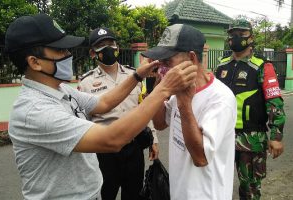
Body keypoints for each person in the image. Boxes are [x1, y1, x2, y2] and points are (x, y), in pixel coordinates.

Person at [5, 14, 197, 200]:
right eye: (60, 51)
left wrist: (137, 76)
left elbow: (103, 103)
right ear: (35, 62)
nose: (68, 55)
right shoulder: (35, 110)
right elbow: (112, 139)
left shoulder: (60, 89)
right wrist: (163, 89)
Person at [141, 23, 237, 200]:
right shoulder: (178, 89)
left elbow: (201, 158)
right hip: (179, 191)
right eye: (160, 62)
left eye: (167, 61)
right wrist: (159, 87)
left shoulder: (220, 99)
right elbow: (160, 123)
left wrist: (185, 105)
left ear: (192, 59)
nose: (162, 67)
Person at [78, 27, 159, 200]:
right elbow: (83, 121)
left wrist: (153, 138)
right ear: (93, 53)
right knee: (105, 194)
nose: (108, 48)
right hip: (104, 152)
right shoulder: (86, 82)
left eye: (111, 43)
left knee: (134, 194)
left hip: (134, 147)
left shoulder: (134, 75)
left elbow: (143, 107)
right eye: (101, 45)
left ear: (118, 48)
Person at [215, 18, 286, 200]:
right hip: (221, 137)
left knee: (250, 190)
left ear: (251, 37)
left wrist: (276, 136)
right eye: (232, 34)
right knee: (215, 183)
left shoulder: (263, 66)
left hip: (251, 139)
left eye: (241, 34)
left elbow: (274, 102)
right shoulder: (221, 65)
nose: (236, 38)